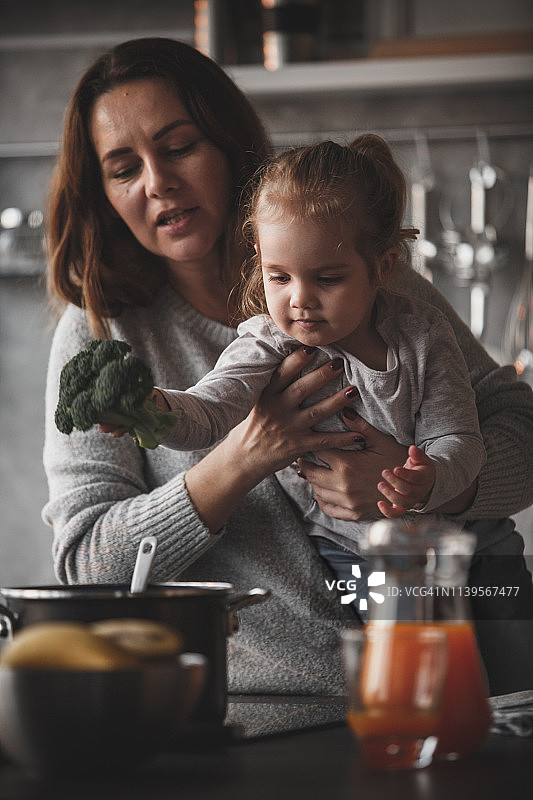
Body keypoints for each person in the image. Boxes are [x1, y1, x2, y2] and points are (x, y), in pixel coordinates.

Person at [42, 37, 533, 696]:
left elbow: (520, 431)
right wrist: (240, 458)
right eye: (124, 167)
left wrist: (421, 482)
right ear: (103, 192)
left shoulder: (378, 294)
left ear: (228, 145)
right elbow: (84, 567)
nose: (158, 183)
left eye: (180, 146)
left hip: (439, 692)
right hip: (263, 718)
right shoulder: (101, 333)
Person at [118, 135, 486, 611]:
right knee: (406, 666)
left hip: (458, 546)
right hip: (347, 554)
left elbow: (459, 437)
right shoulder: (266, 342)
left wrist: (429, 478)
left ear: (382, 267)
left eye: (327, 278)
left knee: (505, 661)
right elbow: (210, 410)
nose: (300, 299)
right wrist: (154, 410)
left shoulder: (422, 334)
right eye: (280, 276)